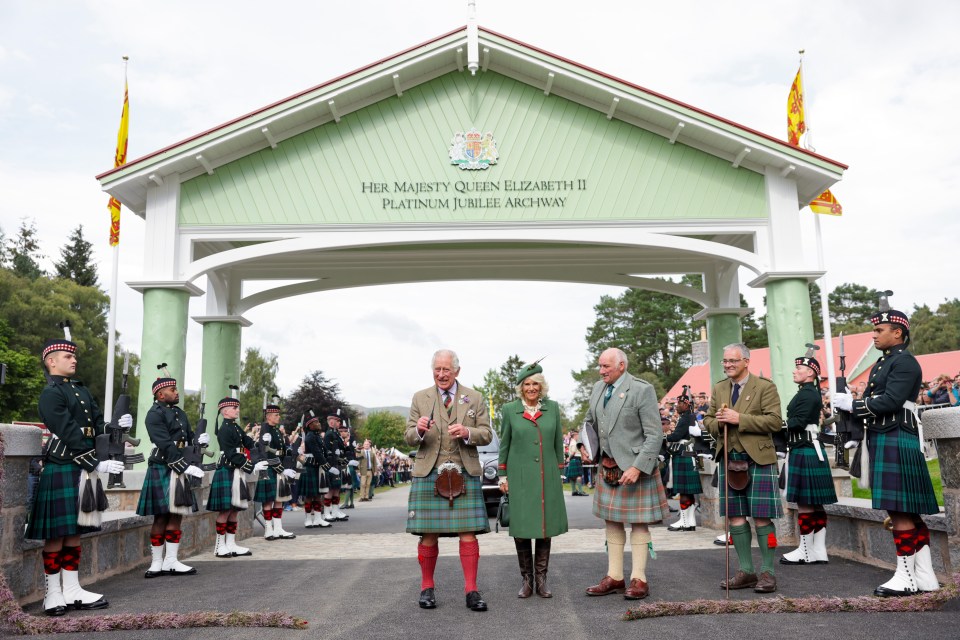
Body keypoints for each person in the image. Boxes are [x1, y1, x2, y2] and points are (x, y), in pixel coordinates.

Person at [833, 298, 940, 596]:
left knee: (901, 511)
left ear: (898, 333)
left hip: (896, 433)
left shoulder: (904, 361)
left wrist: (853, 405)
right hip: (886, 434)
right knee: (906, 511)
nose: (874, 335)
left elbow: (891, 401)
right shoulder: (887, 360)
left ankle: (905, 578)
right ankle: (925, 576)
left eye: (880, 330)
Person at [26, 337, 130, 616]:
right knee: (57, 533)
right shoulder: (51, 394)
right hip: (64, 463)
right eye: (66, 356)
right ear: (51, 361)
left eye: (74, 357)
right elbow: (70, 432)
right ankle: (53, 593)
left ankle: (72, 589)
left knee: (75, 530)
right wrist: (97, 463)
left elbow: (96, 424)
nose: (73, 360)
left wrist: (117, 427)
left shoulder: (81, 391)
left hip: (82, 467)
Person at [405, 349, 493, 612]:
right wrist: (418, 430)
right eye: (437, 369)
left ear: (457, 371)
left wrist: (468, 432)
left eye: (446, 370)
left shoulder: (474, 397)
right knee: (428, 533)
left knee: (467, 532)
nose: (441, 374)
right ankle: (427, 588)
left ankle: (471, 590)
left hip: (463, 471)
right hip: (429, 471)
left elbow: (486, 434)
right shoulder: (421, 397)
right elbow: (408, 435)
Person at [583, 348, 667, 601]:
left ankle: (639, 579)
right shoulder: (598, 388)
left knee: (639, 522)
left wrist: (638, 466)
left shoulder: (641, 390)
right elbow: (588, 422)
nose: (601, 371)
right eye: (600, 366)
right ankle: (615, 576)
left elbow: (655, 434)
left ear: (621, 365)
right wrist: (582, 446)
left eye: (606, 366)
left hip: (634, 468)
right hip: (607, 465)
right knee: (612, 521)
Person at [703, 343, 784, 593]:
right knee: (736, 517)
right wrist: (717, 423)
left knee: (761, 517)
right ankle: (746, 571)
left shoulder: (765, 387)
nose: (727, 365)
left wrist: (740, 419)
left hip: (758, 459)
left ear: (746, 361)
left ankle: (768, 572)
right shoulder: (719, 388)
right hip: (729, 457)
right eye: (725, 361)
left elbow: (775, 422)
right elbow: (707, 420)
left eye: (733, 361)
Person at [497, 362, 569, 599]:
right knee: (522, 528)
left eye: (535, 384)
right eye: (527, 384)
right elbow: (505, 444)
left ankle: (542, 579)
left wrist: (559, 471)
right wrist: (502, 474)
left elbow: (558, 442)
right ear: (521, 387)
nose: (531, 388)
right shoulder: (509, 410)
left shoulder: (553, 408)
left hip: (546, 476)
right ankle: (527, 579)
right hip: (520, 478)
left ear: (541, 386)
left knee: (544, 527)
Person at [136, 372, 206, 578]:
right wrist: (183, 466)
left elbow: (187, 438)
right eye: (172, 390)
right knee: (160, 516)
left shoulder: (180, 413)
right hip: (163, 465)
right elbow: (165, 443)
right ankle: (156, 562)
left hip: (180, 465)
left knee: (176, 514)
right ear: (160, 394)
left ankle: (171, 560)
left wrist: (199, 441)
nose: (177, 393)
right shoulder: (154, 414)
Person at [779, 347, 837, 565]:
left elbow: (795, 423)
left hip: (804, 448)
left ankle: (805, 551)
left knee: (805, 502)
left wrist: (773, 425)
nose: (795, 371)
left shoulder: (807, 394)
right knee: (815, 502)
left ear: (811, 372)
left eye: (799, 368)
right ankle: (818, 550)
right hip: (809, 448)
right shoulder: (809, 392)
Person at [206, 392, 268, 557]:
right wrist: (252, 467)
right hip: (227, 470)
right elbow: (231, 454)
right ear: (225, 411)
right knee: (225, 511)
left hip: (236, 471)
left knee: (234, 510)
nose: (237, 410)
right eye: (234, 408)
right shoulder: (225, 429)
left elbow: (248, 443)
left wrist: (261, 442)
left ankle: (231, 544)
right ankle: (219, 546)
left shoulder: (234, 426)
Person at [254, 404, 297, 541]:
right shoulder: (265, 430)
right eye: (276, 415)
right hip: (269, 468)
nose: (279, 417)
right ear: (268, 417)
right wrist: (280, 467)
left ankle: (278, 528)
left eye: (279, 415)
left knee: (279, 499)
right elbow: (264, 451)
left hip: (279, 467)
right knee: (268, 501)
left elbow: (281, 449)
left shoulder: (277, 431)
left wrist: (288, 453)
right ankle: (268, 529)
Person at [665, 391, 704, 532]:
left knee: (684, 491)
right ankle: (689, 521)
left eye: (680, 403)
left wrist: (663, 437)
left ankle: (685, 522)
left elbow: (676, 436)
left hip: (683, 455)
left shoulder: (686, 417)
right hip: (688, 454)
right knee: (687, 492)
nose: (677, 406)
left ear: (687, 405)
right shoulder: (689, 417)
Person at [321, 412, 350, 522]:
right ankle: (327, 512)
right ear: (331, 421)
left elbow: (340, 448)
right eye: (337, 421)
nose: (339, 423)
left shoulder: (335, 434)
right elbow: (327, 450)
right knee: (330, 489)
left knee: (336, 489)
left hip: (336, 463)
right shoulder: (329, 434)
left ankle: (335, 510)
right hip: (331, 464)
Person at [566, 431, 586, 496]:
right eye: (578, 435)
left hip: (572, 460)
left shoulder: (571, 442)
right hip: (576, 459)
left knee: (572, 477)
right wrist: (569, 458)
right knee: (579, 475)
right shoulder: (575, 443)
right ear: (575, 435)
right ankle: (580, 491)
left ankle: (574, 491)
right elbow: (573, 452)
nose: (578, 437)